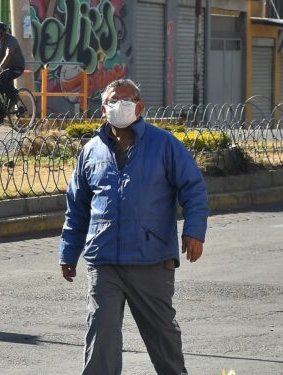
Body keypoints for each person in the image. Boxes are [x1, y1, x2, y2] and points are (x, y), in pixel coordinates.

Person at [58, 79, 209, 375]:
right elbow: (76, 206)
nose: (120, 106)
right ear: (103, 109)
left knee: (163, 338)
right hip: (105, 260)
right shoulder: (91, 151)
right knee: (100, 335)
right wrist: (68, 252)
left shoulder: (164, 144)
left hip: (151, 258)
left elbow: (194, 189)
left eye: (127, 100)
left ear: (139, 107)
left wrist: (194, 231)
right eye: (114, 101)